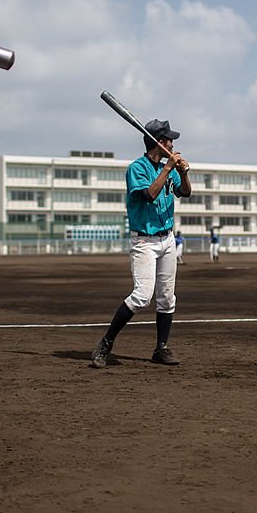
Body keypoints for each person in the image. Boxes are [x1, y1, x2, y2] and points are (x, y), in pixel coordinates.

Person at [91, 120, 192, 368]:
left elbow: (186, 192)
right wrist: (168, 168)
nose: (173, 144)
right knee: (142, 296)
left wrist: (183, 173)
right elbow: (148, 195)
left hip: (167, 238)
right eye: (169, 140)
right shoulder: (136, 168)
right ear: (160, 143)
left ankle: (161, 348)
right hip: (144, 241)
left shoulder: (168, 168)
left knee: (167, 298)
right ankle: (106, 342)